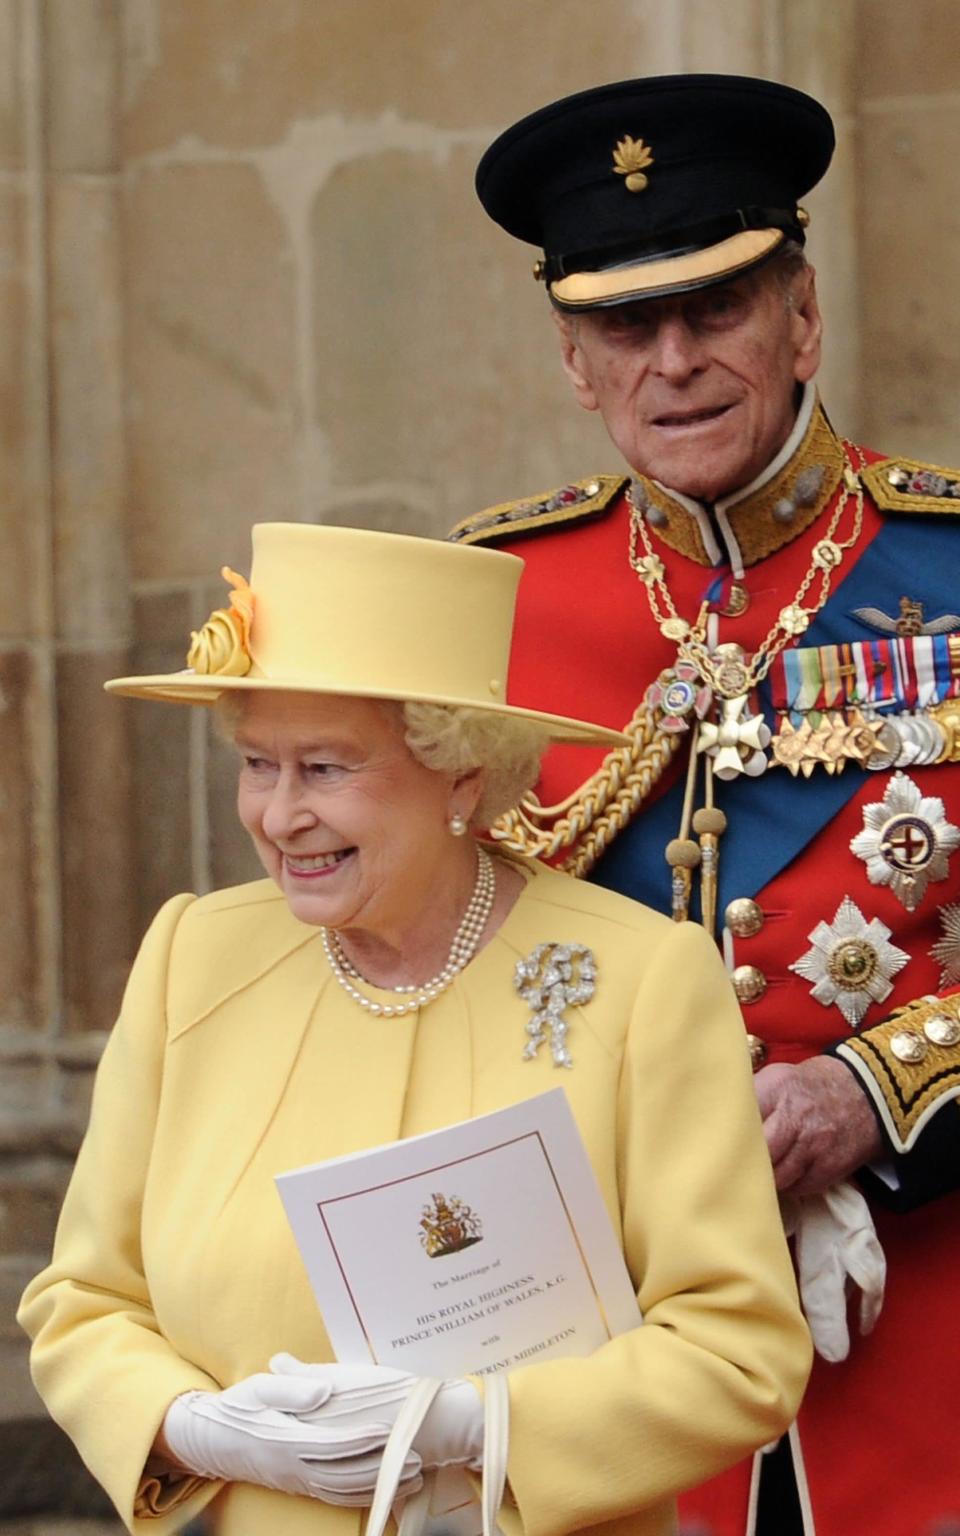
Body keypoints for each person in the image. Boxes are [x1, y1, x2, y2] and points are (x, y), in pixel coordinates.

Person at [18, 522, 810, 1536]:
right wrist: (196, 1429)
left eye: (326, 768)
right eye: (258, 763)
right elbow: (82, 1298)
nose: (277, 814)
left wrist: (479, 1424)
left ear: (462, 775)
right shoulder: (193, 958)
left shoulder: (643, 979)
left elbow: (736, 1353)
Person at [454, 74, 960, 1536]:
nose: (672, 362)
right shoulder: (494, 601)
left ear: (800, 316)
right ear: (574, 359)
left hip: (922, 1330)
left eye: (716, 310)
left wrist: (870, 1095)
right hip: (608, 1353)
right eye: (626, 326)